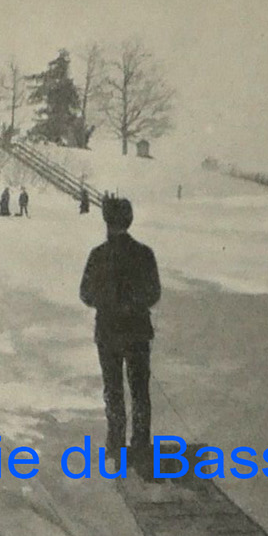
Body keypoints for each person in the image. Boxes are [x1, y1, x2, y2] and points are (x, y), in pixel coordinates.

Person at [79, 197, 161, 479]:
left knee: (113, 391)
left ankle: (115, 449)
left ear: (107, 221)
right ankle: (140, 449)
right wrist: (131, 304)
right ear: (129, 220)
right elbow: (154, 294)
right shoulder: (144, 254)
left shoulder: (98, 255)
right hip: (137, 332)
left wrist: (109, 303)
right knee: (140, 392)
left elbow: (85, 294)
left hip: (108, 333)